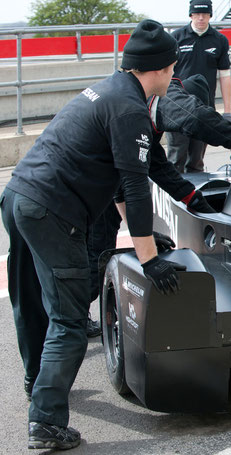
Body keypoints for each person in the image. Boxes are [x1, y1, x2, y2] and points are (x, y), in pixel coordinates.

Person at [0, 19, 182, 450]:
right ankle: (45, 424)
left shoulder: (109, 90)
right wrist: (149, 257)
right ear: (158, 68)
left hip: (18, 195)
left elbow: (151, 164)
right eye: (173, 67)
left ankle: (36, 382)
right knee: (68, 319)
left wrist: (194, 197)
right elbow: (135, 189)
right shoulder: (130, 108)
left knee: (31, 300)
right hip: (51, 211)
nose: (174, 74)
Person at [86, 74, 231, 306]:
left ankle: (75, 315)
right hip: (90, 191)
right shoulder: (168, 99)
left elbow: (161, 170)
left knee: (98, 247)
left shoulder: (147, 116)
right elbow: (197, 117)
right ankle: (75, 318)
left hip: (101, 187)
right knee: (94, 251)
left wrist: (195, 200)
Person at [167, 0, 231, 173]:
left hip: (203, 107)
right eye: (197, 14)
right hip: (177, 107)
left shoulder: (219, 40)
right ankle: (172, 197)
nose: (201, 18)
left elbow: (225, 76)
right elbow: (164, 73)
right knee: (176, 159)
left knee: (196, 161)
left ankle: (193, 197)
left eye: (205, 14)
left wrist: (227, 112)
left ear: (210, 15)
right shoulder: (176, 38)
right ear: (191, 15)